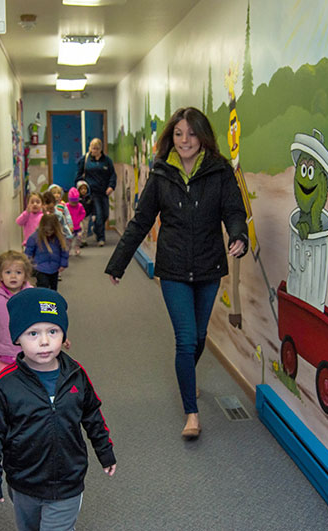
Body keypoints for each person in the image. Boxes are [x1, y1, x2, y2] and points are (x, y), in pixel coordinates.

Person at [105, 107, 248, 439]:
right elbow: (141, 221)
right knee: (185, 340)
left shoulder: (220, 171)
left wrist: (238, 235)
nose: (185, 140)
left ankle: (188, 380)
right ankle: (192, 413)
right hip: (172, 268)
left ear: (203, 137)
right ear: (171, 137)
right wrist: (119, 263)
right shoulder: (160, 174)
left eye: (192, 134)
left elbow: (233, 210)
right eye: (179, 134)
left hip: (210, 265)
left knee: (199, 338)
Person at [0, 288, 116, 530]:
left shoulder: (76, 375)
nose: (44, 341)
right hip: (24, 482)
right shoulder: (4, 385)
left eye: (53, 331)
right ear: (17, 338)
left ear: (64, 335)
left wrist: (104, 450)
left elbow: (92, 415)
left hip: (68, 481)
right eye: (33, 333)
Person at [75, 138, 116, 246]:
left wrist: (111, 186)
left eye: (97, 148)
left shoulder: (107, 160)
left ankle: (96, 229)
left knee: (105, 214)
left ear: (101, 149)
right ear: (89, 148)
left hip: (103, 192)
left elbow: (112, 174)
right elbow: (79, 175)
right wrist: (80, 188)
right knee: (98, 214)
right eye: (93, 148)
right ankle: (101, 238)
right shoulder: (85, 159)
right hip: (91, 193)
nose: (95, 151)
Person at [25, 213, 69, 291]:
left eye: (51, 230)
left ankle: (52, 302)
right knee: (43, 286)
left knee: (53, 288)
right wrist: (27, 266)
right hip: (40, 268)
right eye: (46, 230)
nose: (49, 232)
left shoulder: (59, 238)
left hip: (54, 268)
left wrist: (63, 264)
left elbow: (64, 251)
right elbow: (28, 252)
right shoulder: (34, 237)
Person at [65, 187, 86, 256]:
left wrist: (79, 219)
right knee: (68, 240)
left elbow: (83, 213)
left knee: (78, 238)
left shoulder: (80, 206)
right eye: (72, 202)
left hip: (77, 226)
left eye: (75, 202)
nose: (74, 204)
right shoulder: (66, 206)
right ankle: (68, 249)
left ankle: (77, 248)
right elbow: (64, 214)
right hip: (70, 227)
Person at [75, 180, 94, 247]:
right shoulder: (77, 199)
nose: (83, 190)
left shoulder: (89, 198)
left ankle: (84, 240)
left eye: (85, 189)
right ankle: (79, 241)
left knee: (86, 228)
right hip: (79, 216)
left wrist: (93, 214)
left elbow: (92, 207)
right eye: (81, 189)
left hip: (87, 215)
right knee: (81, 228)